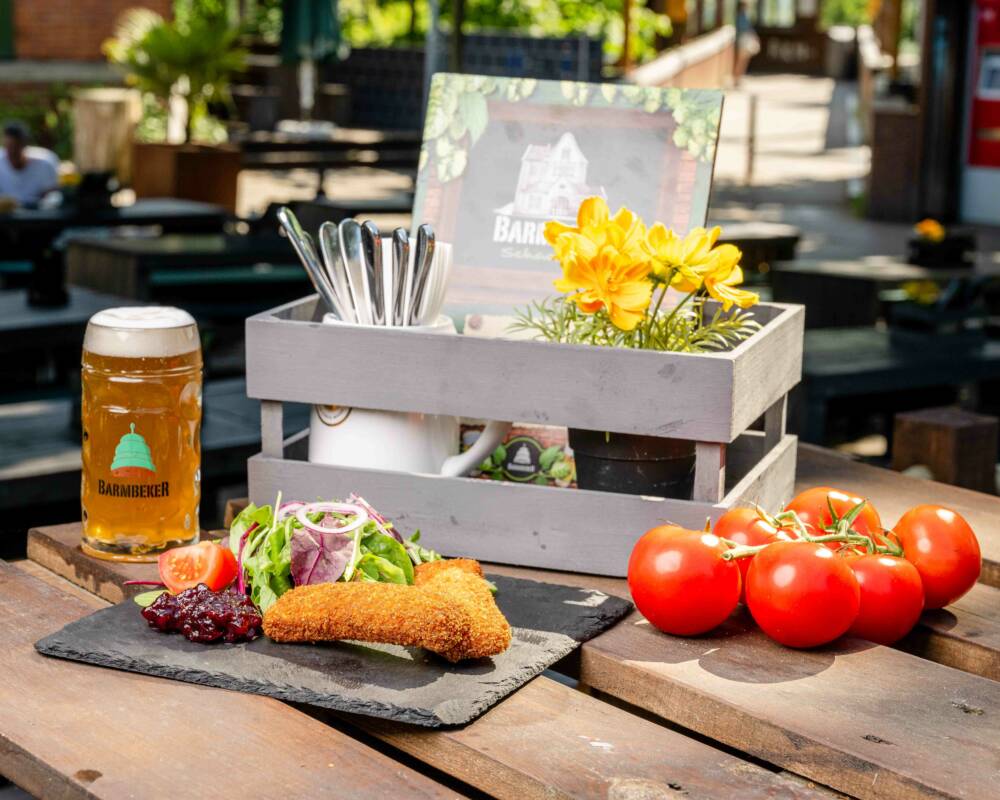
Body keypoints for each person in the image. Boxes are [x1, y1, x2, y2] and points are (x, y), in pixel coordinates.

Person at [0, 121, 59, 207]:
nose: (12, 152)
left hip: (37, 215)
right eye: (8, 147)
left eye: (16, 147)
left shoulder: (45, 162)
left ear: (24, 145)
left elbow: (52, 193)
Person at [734, 1, 761, 85]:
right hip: (743, 40)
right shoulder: (740, 17)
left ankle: (738, 78)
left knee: (744, 60)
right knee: (741, 60)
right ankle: (736, 79)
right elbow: (743, 29)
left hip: (745, 40)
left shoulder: (745, 16)